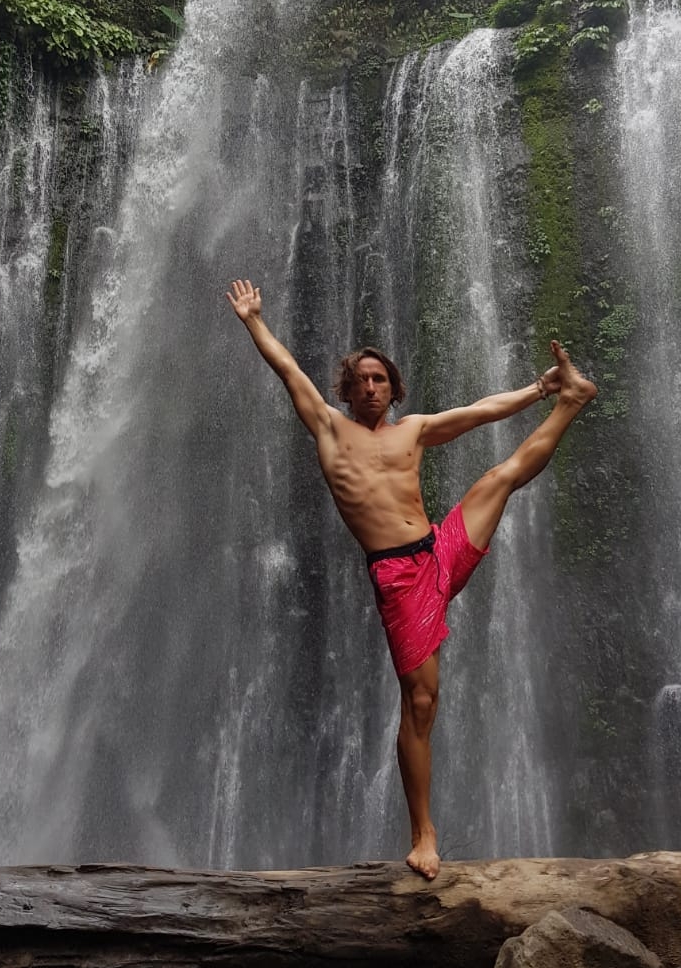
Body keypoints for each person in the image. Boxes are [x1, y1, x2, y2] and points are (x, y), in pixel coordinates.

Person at [225, 277, 597, 880]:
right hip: (398, 577)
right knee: (421, 702)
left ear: (393, 387)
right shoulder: (329, 429)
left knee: (499, 478)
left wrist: (539, 387)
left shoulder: (414, 429)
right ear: (347, 390)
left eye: (380, 379)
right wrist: (253, 320)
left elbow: (480, 412)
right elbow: (288, 369)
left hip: (438, 550)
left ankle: (570, 400)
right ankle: (423, 831)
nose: (371, 387)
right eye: (361, 380)